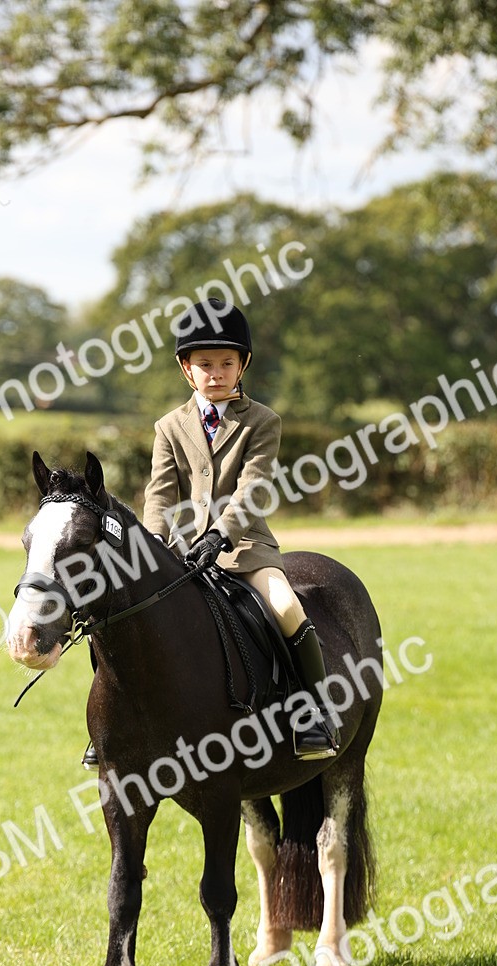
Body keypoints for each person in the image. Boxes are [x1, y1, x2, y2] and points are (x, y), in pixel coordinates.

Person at [82, 298, 339, 768]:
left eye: (226, 363)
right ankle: (109, 726)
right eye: (205, 364)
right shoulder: (169, 426)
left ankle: (312, 711)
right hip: (179, 555)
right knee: (113, 610)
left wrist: (220, 535)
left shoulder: (262, 422)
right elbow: (159, 494)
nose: (216, 373)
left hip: (245, 550)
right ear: (186, 369)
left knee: (286, 608)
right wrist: (156, 542)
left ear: (243, 365)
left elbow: (253, 490)